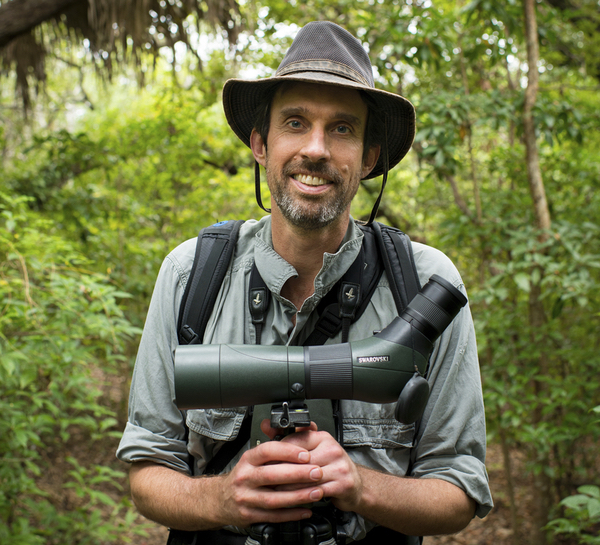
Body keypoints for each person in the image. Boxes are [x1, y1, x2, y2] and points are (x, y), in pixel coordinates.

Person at [116, 21, 493, 544]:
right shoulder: (190, 275)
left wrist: (359, 487)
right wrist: (225, 497)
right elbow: (146, 472)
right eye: (295, 122)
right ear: (260, 145)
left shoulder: (426, 285)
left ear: (368, 158)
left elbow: (459, 491)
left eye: (342, 128)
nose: (315, 149)